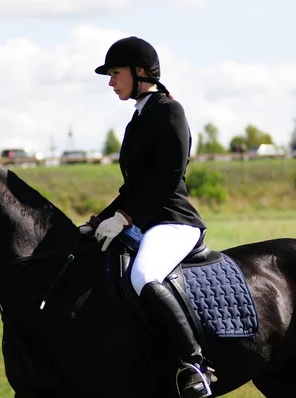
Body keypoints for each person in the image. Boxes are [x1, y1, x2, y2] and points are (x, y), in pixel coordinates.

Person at [79, 36, 215, 398]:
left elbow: (167, 178)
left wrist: (125, 216)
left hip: (174, 220)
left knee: (143, 274)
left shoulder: (170, 111)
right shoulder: (136, 120)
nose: (110, 82)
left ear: (140, 73)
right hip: (145, 220)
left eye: (115, 73)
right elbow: (133, 187)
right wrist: (97, 221)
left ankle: (194, 365)